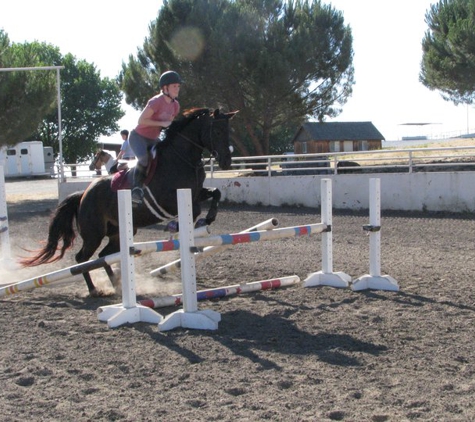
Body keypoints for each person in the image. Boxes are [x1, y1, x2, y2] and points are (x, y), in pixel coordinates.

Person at [128, 70, 183, 205]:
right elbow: (141, 121)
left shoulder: (175, 106)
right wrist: (162, 123)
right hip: (138, 137)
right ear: (165, 88)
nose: (177, 89)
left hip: (153, 139)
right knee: (143, 159)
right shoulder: (156, 101)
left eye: (178, 86)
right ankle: (135, 190)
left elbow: (168, 125)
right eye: (174, 86)